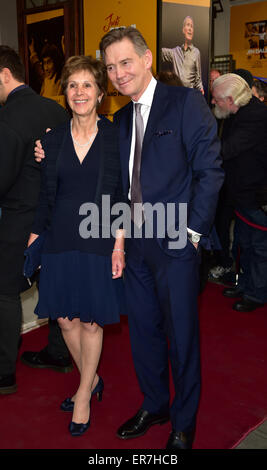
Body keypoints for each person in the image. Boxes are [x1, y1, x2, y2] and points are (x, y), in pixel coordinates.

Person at [99, 27, 223, 449]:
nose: (118, 73)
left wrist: (191, 234)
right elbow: (119, 188)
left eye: (125, 62)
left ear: (148, 58)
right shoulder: (118, 120)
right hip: (134, 245)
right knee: (144, 334)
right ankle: (155, 404)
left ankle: (184, 422)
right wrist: (118, 242)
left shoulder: (184, 103)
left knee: (182, 335)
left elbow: (210, 172)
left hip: (175, 244)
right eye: (111, 67)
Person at [29, 55, 125, 436]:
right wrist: (34, 239)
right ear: (65, 92)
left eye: (87, 85)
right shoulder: (50, 140)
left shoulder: (116, 136)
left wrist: (119, 245)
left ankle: (84, 392)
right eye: (72, 85)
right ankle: (93, 379)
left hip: (100, 239)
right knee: (66, 319)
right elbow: (45, 196)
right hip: (59, 238)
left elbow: (122, 196)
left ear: (101, 93)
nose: (79, 92)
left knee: (90, 319)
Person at [0, 45, 69, 395]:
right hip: (56, 216)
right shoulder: (55, 109)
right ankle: (59, 352)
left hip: (20, 218)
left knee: (4, 290)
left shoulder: (8, 118)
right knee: (51, 284)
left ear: (4, 74)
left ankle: (3, 374)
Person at [211, 73, 267, 312]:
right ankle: (244, 285)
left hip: (256, 195)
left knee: (258, 248)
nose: (213, 103)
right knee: (242, 244)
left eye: (216, 100)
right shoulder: (238, 112)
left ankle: (256, 293)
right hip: (241, 193)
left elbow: (227, 149)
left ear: (231, 99)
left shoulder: (256, 116)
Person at [162, 16, 204, 94]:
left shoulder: (196, 52)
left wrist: (201, 90)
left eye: (192, 26)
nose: (190, 29)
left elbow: (198, 77)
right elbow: (159, 51)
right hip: (176, 93)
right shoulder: (175, 52)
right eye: (188, 25)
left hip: (189, 94)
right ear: (183, 30)